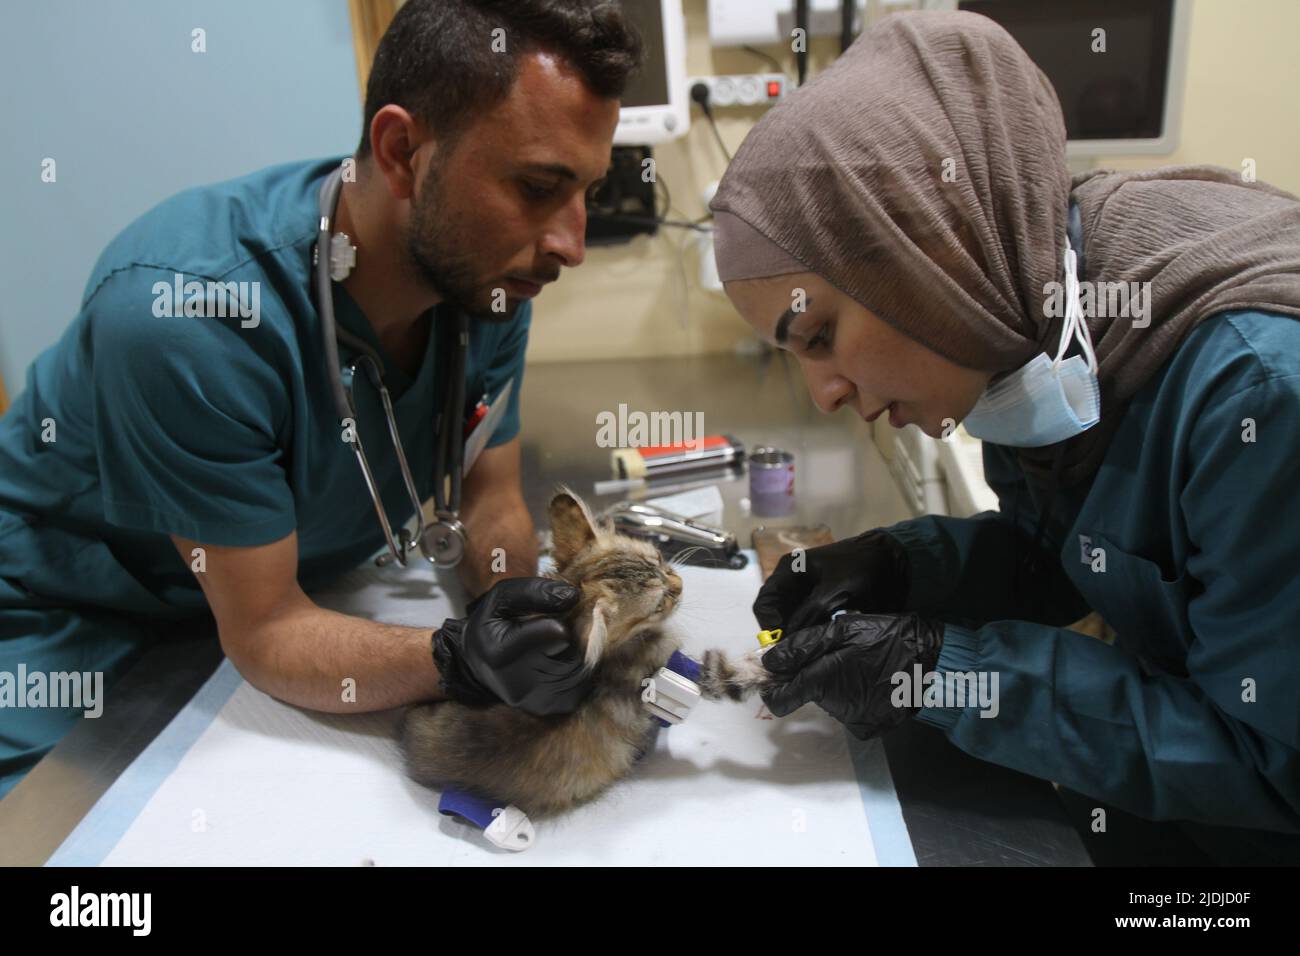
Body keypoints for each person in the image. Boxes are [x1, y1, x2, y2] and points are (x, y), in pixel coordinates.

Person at [0, 0, 642, 800]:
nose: (570, 245)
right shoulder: (188, 315)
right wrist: (455, 657)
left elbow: (490, 496)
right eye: (538, 187)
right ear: (403, 150)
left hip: (285, 610)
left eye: (587, 190)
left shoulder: (491, 282)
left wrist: (513, 608)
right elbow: (266, 627)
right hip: (76, 634)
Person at [710, 10, 1300, 863]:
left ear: (920, 255)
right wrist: (904, 569)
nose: (826, 392)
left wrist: (942, 670)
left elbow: (1269, 761)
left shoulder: (1260, 395)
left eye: (821, 337)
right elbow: (1066, 560)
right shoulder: (1024, 313)